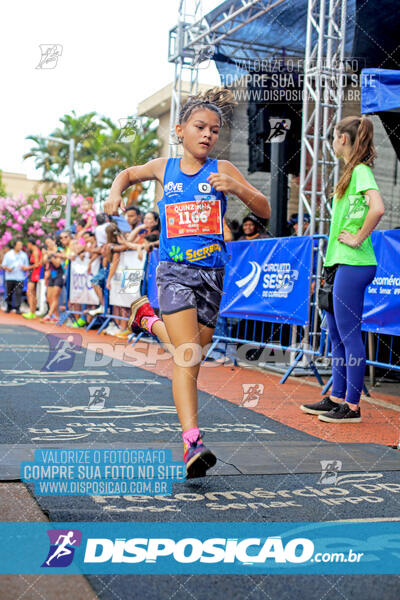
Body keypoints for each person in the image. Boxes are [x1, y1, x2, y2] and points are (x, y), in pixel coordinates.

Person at [105, 87, 270, 478]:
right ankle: (191, 440)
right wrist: (115, 193)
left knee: (195, 349)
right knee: (187, 356)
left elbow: (263, 209)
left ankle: (147, 319)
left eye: (214, 130)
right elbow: (127, 174)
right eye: (200, 127)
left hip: (212, 274)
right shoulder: (165, 168)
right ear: (180, 130)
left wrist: (238, 189)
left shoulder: (224, 170)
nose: (208, 135)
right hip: (174, 270)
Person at [301, 115, 385, 423]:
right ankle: (337, 396)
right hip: (340, 264)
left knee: (349, 335)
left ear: (343, 139)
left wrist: (358, 237)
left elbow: (378, 208)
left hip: (354, 263)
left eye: (334, 137)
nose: (332, 143)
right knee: (335, 334)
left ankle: (352, 406)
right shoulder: (351, 173)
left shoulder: (361, 171)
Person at [0, 240, 29, 313]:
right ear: (15, 246)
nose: (20, 247)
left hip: (20, 277)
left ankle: (17, 307)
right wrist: (8, 268)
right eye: (19, 245)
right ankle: (9, 306)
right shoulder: (8, 254)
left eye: (21, 245)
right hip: (10, 277)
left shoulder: (24, 255)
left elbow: (27, 266)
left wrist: (25, 268)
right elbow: (3, 265)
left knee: (19, 292)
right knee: (9, 292)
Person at [41, 236, 65, 322]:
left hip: (59, 274)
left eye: (49, 242)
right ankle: (56, 315)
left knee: (55, 296)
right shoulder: (48, 252)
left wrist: (50, 256)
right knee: (48, 297)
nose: (48, 245)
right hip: (51, 275)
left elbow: (57, 264)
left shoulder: (59, 250)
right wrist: (45, 255)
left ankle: (49, 315)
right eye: (46, 243)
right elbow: (44, 262)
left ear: (54, 241)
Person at [22, 238, 42, 319]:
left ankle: (31, 311)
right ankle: (32, 312)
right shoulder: (36, 251)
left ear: (30, 244)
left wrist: (27, 268)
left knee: (29, 292)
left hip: (34, 274)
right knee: (32, 292)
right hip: (33, 273)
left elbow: (37, 264)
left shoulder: (35, 251)